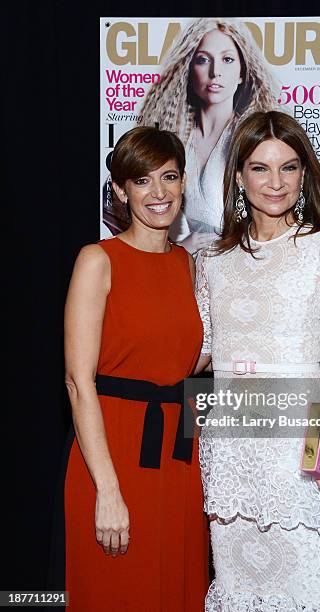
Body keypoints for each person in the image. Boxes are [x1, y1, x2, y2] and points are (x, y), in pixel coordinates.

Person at [195, 111, 320, 610]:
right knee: (239, 590)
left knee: (312, 588)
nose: (275, 182)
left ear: (305, 173)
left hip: (308, 442)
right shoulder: (211, 261)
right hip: (233, 449)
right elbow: (196, 354)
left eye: (288, 167)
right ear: (239, 176)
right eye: (260, 168)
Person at [62, 126, 209, 610]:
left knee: (175, 588)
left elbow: (184, 362)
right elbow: (79, 382)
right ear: (121, 191)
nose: (158, 192)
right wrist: (107, 490)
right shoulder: (97, 261)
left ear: (184, 182)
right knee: (115, 590)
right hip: (112, 452)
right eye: (142, 181)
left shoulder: (188, 264)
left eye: (168, 177)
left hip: (181, 459)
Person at [138, 18, 278, 254]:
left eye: (227, 59)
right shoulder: (177, 137)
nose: (215, 73)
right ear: (189, 69)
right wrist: (181, 248)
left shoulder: (251, 138)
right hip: (193, 266)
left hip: (244, 259)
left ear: (243, 71)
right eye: (203, 60)